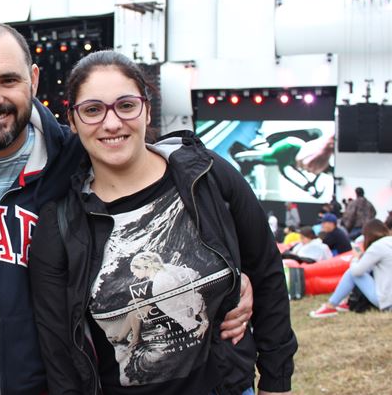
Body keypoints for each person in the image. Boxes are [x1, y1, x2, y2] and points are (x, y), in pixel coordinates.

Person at [0, 21, 253, 394]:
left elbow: (154, 177)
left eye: (8, 80)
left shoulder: (77, 159)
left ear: (33, 80)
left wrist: (236, 279)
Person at [29, 50, 296, 395]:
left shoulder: (207, 176)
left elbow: (266, 272)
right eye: (93, 110)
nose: (112, 123)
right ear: (73, 120)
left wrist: (277, 382)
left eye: (126, 105)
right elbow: (59, 350)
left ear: (147, 109)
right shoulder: (61, 223)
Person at [310, 219, 392, 317]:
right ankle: (344, 301)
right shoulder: (388, 242)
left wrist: (356, 258)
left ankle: (330, 306)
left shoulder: (377, 247)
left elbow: (356, 271)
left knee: (351, 273)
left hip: (387, 302)